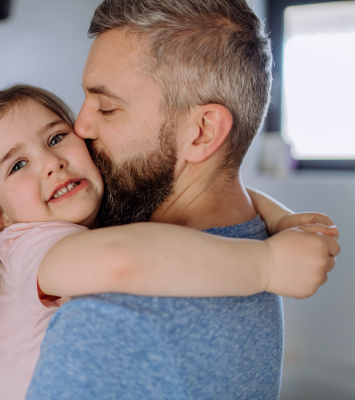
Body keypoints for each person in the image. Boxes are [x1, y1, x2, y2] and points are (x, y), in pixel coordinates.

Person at [0, 85, 339, 400]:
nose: (50, 162)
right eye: (18, 165)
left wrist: (278, 217)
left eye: (57, 138)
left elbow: (218, 188)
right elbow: (122, 257)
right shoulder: (24, 244)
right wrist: (265, 264)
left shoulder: (76, 207)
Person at [25, 1, 338, 399]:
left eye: (108, 107)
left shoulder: (109, 322)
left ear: (203, 133)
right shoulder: (252, 239)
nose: (80, 126)